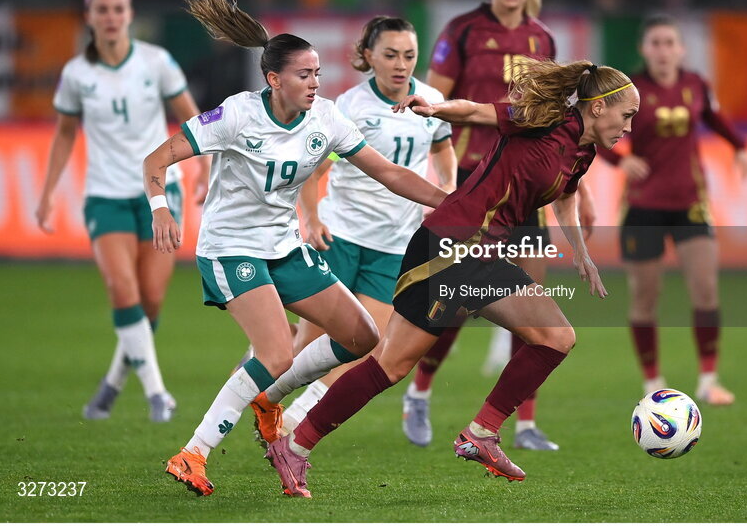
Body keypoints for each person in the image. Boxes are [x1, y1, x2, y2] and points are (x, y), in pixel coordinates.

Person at [263, 59, 639, 497]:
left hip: (485, 255)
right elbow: (477, 111)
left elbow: (567, 192)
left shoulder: (583, 151)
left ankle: (482, 432)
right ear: (597, 107)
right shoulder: (544, 120)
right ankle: (295, 446)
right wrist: (435, 109)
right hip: (450, 246)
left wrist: (580, 250)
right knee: (391, 364)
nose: (629, 126)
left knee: (556, 336)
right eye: (626, 115)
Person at [148, 0, 446, 497]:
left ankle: (269, 401)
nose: (314, 83)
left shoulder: (326, 118)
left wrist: (450, 205)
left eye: (317, 74)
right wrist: (161, 209)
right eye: (303, 75)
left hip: (284, 246)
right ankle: (193, 452)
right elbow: (156, 162)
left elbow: (389, 173)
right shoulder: (237, 115)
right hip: (230, 247)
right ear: (273, 79)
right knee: (275, 351)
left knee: (363, 336)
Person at [403, 0, 595, 452]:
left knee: (533, 306)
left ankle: (524, 423)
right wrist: (437, 177)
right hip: (472, 180)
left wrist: (578, 187)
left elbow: (561, 124)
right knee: (457, 306)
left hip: (527, 188)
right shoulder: (463, 30)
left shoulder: (543, 38)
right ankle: (420, 393)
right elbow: (436, 102)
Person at [259, 16, 457, 436]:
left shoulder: (432, 100)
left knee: (365, 347)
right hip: (342, 235)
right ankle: (265, 395)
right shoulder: (350, 107)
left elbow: (443, 148)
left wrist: (450, 185)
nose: (401, 64)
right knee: (310, 346)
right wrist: (311, 219)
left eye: (409, 55)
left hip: (394, 243)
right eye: (390, 55)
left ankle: (292, 421)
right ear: (368, 56)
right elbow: (313, 171)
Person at [36, 0, 209, 423]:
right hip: (105, 196)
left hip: (159, 193)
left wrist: (205, 167)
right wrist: (48, 192)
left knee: (149, 299)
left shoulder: (156, 62)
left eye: (118, 9)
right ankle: (158, 394)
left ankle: (112, 384)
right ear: (90, 18)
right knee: (121, 289)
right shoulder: (77, 74)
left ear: (130, 15)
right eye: (103, 10)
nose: (111, 17)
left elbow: (191, 116)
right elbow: (64, 134)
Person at [598, 14, 747, 406]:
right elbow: (595, 134)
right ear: (643, 49)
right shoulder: (627, 92)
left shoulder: (695, 84)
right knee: (645, 297)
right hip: (643, 206)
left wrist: (741, 147)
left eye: (670, 43)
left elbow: (715, 118)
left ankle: (708, 379)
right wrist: (620, 161)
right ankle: (652, 382)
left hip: (690, 203)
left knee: (705, 290)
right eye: (655, 43)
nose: (663, 51)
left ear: (681, 49)